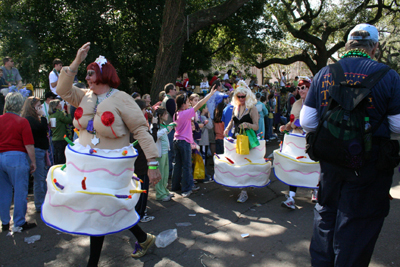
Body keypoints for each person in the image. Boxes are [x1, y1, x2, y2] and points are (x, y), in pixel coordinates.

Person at [50, 42, 162, 265]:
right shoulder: (83, 96)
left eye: (91, 73)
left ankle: (93, 263)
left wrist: (152, 163)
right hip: (86, 166)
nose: (88, 77)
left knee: (98, 210)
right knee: (107, 208)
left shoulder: (121, 98)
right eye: (87, 73)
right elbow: (61, 90)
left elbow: (140, 129)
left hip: (112, 167)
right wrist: (76, 61)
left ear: (103, 74)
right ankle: (143, 237)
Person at [300, 24, 400, 267]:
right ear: (374, 47)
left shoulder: (324, 73)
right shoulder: (389, 76)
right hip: (369, 166)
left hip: (332, 164)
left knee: (326, 217)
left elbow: (307, 122)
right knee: (358, 225)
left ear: (347, 45)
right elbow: (397, 127)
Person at [0, 92, 37, 232]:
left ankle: (4, 222)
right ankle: (19, 222)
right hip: (16, 157)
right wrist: (33, 162)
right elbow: (29, 145)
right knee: (20, 191)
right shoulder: (22, 122)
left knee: (3, 192)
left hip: (0, 156)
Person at [171, 86, 217, 197]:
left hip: (176, 141)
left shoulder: (176, 114)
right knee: (187, 166)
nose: (188, 104)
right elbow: (199, 105)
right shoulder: (185, 113)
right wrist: (209, 95)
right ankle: (187, 189)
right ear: (183, 104)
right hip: (184, 142)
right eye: (187, 102)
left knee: (177, 165)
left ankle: (175, 186)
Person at [279, 80, 317, 209]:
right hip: (296, 140)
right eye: (299, 88)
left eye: (304, 87)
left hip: (310, 139)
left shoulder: (317, 103)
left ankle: (315, 190)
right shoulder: (296, 104)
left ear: (309, 89)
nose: (301, 90)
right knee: (294, 166)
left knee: (312, 165)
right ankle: (291, 197)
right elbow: (292, 123)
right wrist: (286, 127)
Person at [224, 81, 259, 203]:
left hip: (247, 140)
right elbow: (232, 121)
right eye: (238, 96)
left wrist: (248, 125)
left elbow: (256, 126)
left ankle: (244, 191)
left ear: (247, 96)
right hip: (236, 138)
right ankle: (243, 185)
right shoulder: (236, 107)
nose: (240, 99)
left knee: (246, 164)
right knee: (238, 163)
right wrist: (227, 129)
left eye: (243, 96)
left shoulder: (252, 108)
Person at [21, 97, 49, 213]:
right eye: (39, 106)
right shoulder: (30, 119)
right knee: (39, 179)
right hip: (37, 150)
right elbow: (42, 129)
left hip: (40, 150)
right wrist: (43, 116)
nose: (41, 108)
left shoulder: (31, 119)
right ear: (32, 107)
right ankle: (40, 205)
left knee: (41, 178)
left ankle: (42, 203)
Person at [152, 107, 175, 202]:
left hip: (165, 152)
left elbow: (165, 132)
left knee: (165, 174)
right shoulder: (155, 126)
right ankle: (160, 194)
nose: (167, 115)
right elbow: (155, 136)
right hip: (159, 154)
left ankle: (165, 191)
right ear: (160, 116)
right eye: (165, 114)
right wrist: (167, 128)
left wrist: (169, 127)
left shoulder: (163, 124)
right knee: (160, 174)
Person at [48, 99, 72, 164]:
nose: (61, 105)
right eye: (59, 104)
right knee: (62, 158)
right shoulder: (59, 114)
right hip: (61, 138)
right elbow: (68, 120)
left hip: (54, 138)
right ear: (56, 106)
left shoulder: (50, 115)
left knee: (56, 156)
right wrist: (69, 112)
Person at [161, 83, 177, 178]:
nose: (176, 91)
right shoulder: (170, 100)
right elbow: (174, 115)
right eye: (174, 89)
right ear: (170, 90)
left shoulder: (164, 99)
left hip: (165, 127)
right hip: (169, 128)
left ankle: (168, 171)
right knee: (170, 151)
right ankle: (170, 172)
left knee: (168, 151)